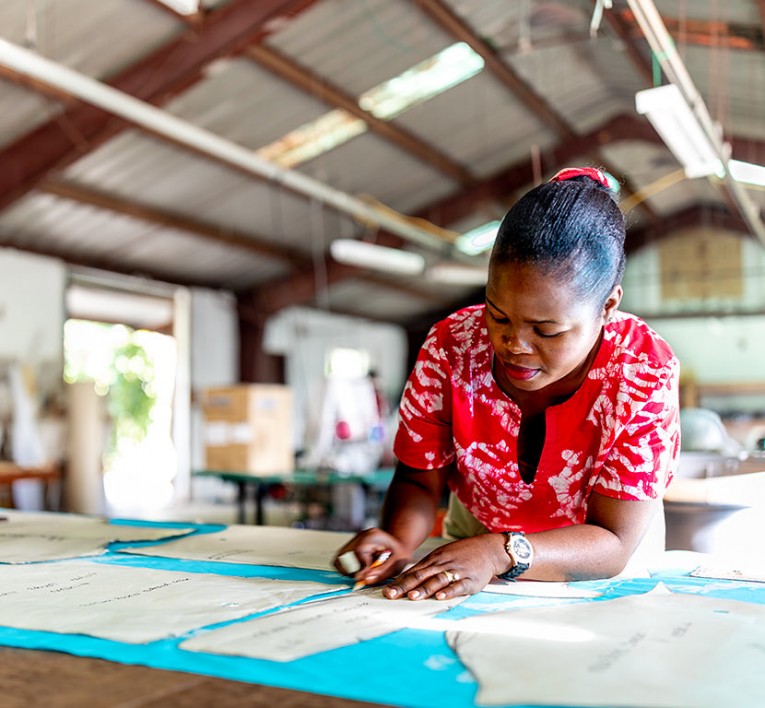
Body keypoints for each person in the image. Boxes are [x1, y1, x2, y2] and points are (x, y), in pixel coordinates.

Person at [333, 167, 680, 600]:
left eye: (546, 330)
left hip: (596, 555)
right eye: (497, 315)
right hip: (476, 539)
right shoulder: (451, 345)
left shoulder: (642, 369)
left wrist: (500, 552)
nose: (513, 344)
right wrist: (399, 541)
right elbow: (420, 479)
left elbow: (613, 541)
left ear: (608, 306)